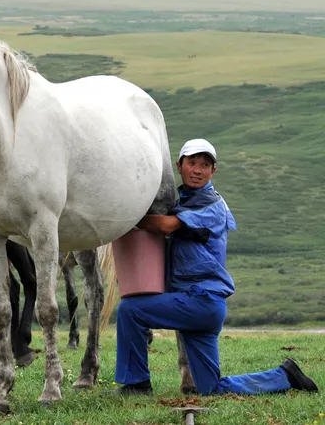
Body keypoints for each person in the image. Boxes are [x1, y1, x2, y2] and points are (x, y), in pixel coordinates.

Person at [111, 138, 319, 396]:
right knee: (210, 388)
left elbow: (166, 226)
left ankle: (136, 384)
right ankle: (285, 375)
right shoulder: (185, 203)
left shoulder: (210, 204)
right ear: (179, 165)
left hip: (201, 301)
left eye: (205, 165)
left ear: (213, 171)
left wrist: (122, 216)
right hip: (203, 307)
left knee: (130, 310)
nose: (197, 170)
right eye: (192, 163)